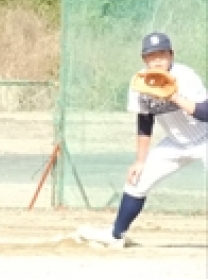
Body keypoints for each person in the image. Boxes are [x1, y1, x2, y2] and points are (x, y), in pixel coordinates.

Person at [77, 32, 208, 248]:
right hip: (176, 143)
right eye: (151, 56)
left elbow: (205, 113)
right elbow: (145, 121)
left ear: (171, 55)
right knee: (137, 181)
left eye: (162, 55)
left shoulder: (185, 76)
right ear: (144, 59)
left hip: (205, 138)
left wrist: (174, 97)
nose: (157, 60)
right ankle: (116, 236)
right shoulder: (140, 82)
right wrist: (140, 160)